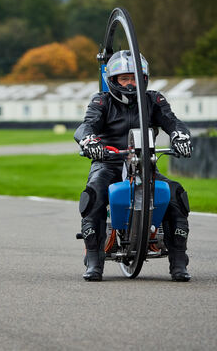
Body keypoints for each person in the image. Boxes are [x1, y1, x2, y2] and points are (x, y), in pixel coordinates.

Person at [74, 50, 193, 282]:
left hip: (146, 165)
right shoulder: (102, 100)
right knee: (94, 194)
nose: (130, 83)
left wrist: (180, 136)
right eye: (124, 78)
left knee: (176, 194)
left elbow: (173, 121)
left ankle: (179, 260)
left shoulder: (154, 100)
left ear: (144, 78)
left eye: (134, 77)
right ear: (113, 80)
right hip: (108, 163)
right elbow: (85, 127)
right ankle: (94, 260)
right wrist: (91, 142)